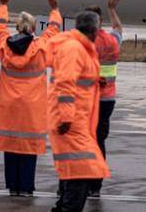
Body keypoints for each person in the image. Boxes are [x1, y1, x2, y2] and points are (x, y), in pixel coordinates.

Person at [0, 0, 62, 197]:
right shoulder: (40, 47)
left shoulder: (5, 46)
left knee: (11, 148)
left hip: (9, 107)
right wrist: (55, 10)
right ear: (32, 30)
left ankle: (13, 188)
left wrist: (3, 5)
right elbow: (53, 30)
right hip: (32, 107)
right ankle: (27, 188)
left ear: (17, 28)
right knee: (29, 150)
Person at [48, 11, 110, 212]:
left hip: (77, 121)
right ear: (94, 30)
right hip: (70, 121)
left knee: (76, 173)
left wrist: (94, 81)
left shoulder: (81, 47)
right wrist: (66, 117)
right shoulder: (74, 48)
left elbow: (75, 78)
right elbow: (65, 84)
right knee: (80, 171)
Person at [85, 0, 122, 197]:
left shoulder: (86, 43)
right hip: (108, 99)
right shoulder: (112, 40)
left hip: (89, 100)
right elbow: (118, 28)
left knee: (84, 141)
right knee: (100, 143)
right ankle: (96, 187)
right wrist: (112, 10)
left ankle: (80, 182)